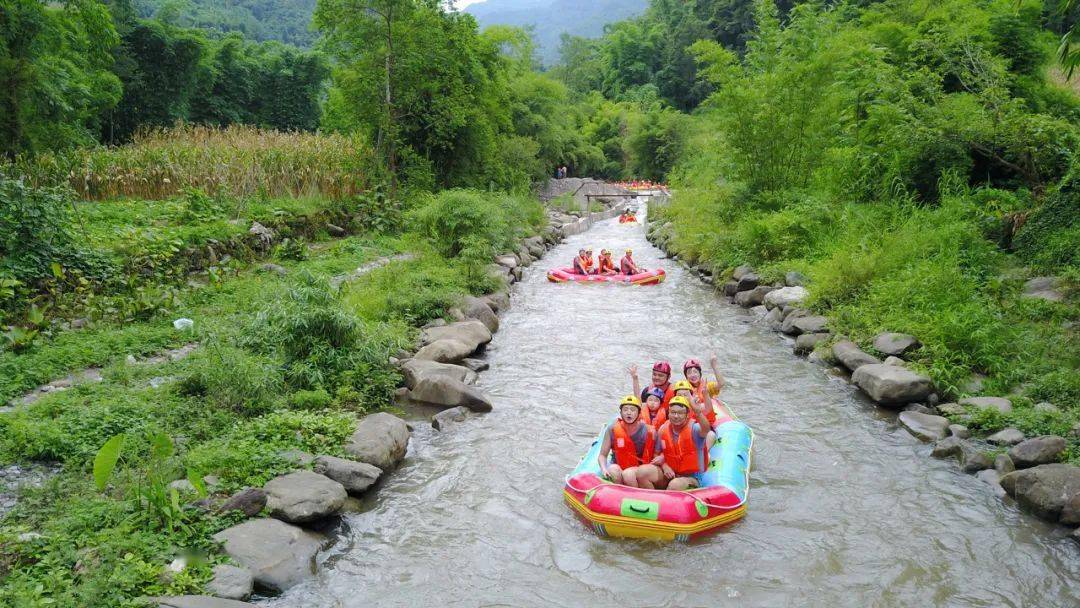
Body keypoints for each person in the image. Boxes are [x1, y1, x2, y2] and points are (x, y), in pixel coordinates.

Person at [597, 396, 661, 488]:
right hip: (619, 464)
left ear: (639, 413)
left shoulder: (649, 431)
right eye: (625, 410)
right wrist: (604, 469)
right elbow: (602, 455)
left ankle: (636, 496)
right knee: (613, 470)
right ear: (621, 413)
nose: (629, 412)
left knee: (628, 474)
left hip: (640, 468)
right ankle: (619, 494)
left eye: (632, 410)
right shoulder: (612, 429)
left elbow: (659, 454)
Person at [655, 395, 715, 490]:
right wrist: (665, 466)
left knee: (675, 484)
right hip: (670, 472)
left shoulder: (694, 429)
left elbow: (706, 429)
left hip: (693, 477)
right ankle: (653, 500)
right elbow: (656, 454)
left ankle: (665, 501)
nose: (676, 416)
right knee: (644, 473)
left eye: (680, 413)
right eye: (673, 412)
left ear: (687, 415)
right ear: (668, 414)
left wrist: (698, 412)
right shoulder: (663, 429)